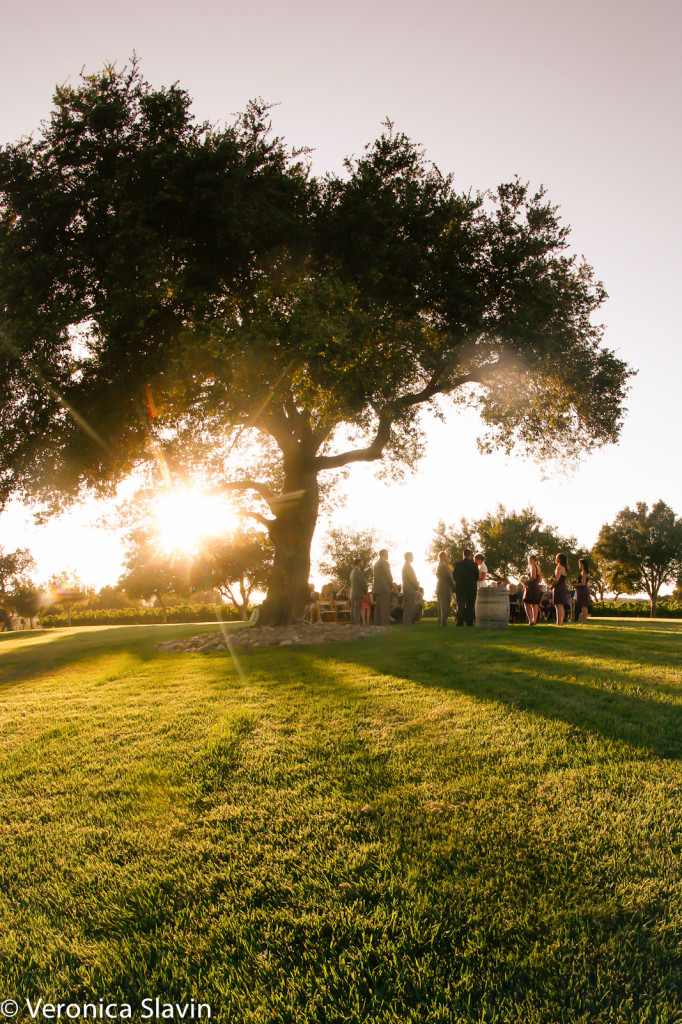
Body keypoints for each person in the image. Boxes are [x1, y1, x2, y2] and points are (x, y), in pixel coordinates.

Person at [452, 548, 479, 626]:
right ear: (470, 555)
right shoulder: (474, 564)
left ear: (463, 555)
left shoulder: (458, 564)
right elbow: (476, 576)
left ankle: (460, 621)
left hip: (460, 587)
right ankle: (469, 621)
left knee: (460, 605)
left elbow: (454, 576)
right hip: (471, 587)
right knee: (470, 605)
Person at [373, 549, 393, 626]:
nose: (388, 555)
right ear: (384, 554)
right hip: (384, 588)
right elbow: (388, 575)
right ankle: (385, 624)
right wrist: (391, 585)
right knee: (385, 607)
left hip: (377, 588)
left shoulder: (376, 564)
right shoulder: (384, 562)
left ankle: (376, 624)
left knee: (378, 608)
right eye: (387, 554)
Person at [436, 551, 456, 627]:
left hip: (441, 587)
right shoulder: (443, 566)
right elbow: (448, 577)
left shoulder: (440, 565)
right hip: (445, 588)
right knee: (445, 606)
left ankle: (441, 623)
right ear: (443, 557)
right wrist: (454, 586)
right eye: (447, 556)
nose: (447, 558)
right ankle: (443, 623)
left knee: (441, 607)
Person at [549, 552, 570, 625]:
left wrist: (551, 584)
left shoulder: (560, 567)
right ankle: (559, 622)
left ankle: (559, 622)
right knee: (559, 605)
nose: (555, 559)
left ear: (560, 559)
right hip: (562, 586)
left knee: (559, 605)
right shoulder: (563, 567)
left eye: (557, 558)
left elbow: (557, 580)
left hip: (559, 587)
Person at [401, 552, 421, 626]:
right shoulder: (407, 566)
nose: (413, 558)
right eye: (412, 556)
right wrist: (416, 586)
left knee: (408, 607)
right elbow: (412, 579)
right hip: (409, 588)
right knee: (409, 607)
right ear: (408, 557)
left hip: (407, 588)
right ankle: (407, 623)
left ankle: (407, 623)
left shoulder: (406, 566)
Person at [523, 554, 543, 625]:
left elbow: (533, 577)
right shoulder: (538, 567)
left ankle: (530, 620)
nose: (528, 561)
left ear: (531, 559)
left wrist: (525, 582)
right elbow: (540, 579)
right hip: (536, 586)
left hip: (531, 586)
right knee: (534, 604)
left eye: (529, 559)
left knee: (527, 603)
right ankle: (534, 620)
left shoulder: (532, 566)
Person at [574, 556, 593, 624]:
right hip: (583, 589)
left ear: (582, 564)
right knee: (583, 605)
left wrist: (575, 585)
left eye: (579, 564)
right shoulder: (586, 572)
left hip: (583, 590)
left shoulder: (584, 572)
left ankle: (584, 621)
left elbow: (583, 583)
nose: (578, 565)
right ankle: (583, 620)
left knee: (583, 605)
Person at [349, 558, 367, 625]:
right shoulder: (358, 572)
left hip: (353, 593)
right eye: (362, 562)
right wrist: (366, 591)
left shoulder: (352, 572)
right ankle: (356, 624)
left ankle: (352, 622)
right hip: (358, 593)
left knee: (353, 609)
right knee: (357, 609)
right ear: (359, 563)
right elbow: (362, 582)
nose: (363, 563)